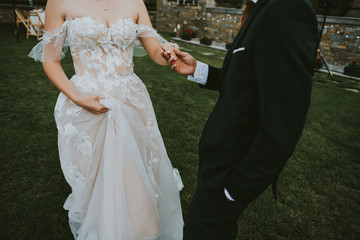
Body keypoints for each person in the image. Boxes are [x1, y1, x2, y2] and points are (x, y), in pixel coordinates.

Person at [163, 0, 318, 239]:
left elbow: (283, 127)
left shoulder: (288, 9)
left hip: (230, 176)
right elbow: (245, 82)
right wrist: (198, 70)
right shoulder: (261, 8)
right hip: (217, 167)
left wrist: (234, 190)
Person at [29, 0, 183, 239]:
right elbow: (51, 60)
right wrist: (78, 97)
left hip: (131, 101)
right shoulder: (59, 2)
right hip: (87, 103)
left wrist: (168, 54)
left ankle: (142, 231)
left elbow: (154, 50)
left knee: (136, 176)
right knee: (97, 183)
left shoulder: (135, 2)